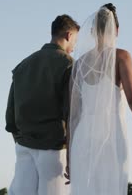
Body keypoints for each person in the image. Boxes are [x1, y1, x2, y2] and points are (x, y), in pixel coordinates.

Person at [66, 3, 132, 194]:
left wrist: (69, 155)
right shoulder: (122, 57)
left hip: (81, 142)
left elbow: (74, 115)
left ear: (93, 31)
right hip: (112, 139)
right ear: (116, 30)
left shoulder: (78, 65)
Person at [5, 14, 80, 195]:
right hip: (53, 149)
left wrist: (21, 140)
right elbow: (71, 114)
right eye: (75, 41)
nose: (74, 47)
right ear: (69, 35)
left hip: (23, 146)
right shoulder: (69, 65)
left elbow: (10, 113)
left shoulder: (24, 64)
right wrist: (71, 157)